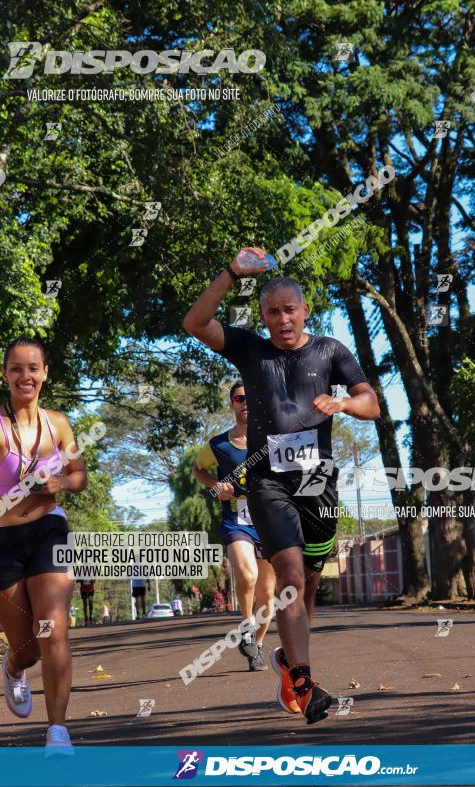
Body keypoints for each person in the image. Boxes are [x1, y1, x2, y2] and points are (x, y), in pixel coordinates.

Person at [183, 251, 380, 724]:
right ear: (263, 316)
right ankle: (307, 687)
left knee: (308, 583)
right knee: (289, 577)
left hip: (318, 483)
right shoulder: (251, 349)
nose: (283, 319)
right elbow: (195, 322)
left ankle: (289, 665)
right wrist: (230, 272)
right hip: (267, 480)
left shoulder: (331, 350)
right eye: (273, 311)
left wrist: (343, 404)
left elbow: (371, 402)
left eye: (290, 309)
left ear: (304, 309)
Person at [0, 336, 87, 752]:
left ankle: (57, 731)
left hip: (50, 530)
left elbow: (79, 476)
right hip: (4, 539)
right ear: (5, 375)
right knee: (28, 648)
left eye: (32, 368)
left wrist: (60, 482)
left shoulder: (60, 423)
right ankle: (15, 668)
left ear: (45, 373)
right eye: (16, 368)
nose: (25, 376)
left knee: (54, 629)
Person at [193, 381, 276, 672]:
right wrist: (217, 486)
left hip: (268, 519)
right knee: (248, 574)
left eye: (251, 397)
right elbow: (197, 469)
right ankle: (246, 623)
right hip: (236, 519)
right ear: (233, 404)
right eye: (240, 398)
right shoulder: (219, 445)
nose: (246, 402)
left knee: (268, 593)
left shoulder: (270, 440)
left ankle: (258, 644)